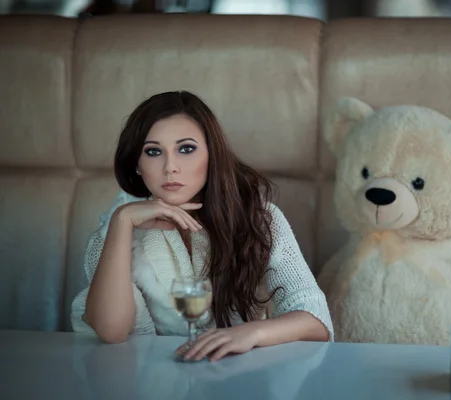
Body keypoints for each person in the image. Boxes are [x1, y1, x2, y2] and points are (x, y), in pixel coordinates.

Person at [70, 90, 333, 362]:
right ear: (137, 164)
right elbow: (111, 331)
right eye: (153, 151)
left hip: (237, 376)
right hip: (151, 381)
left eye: (186, 149)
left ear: (211, 154)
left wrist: (251, 333)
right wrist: (121, 223)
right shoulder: (118, 228)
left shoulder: (260, 219)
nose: (170, 167)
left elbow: (316, 319)